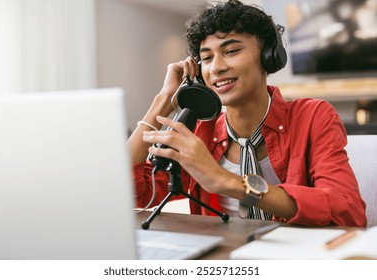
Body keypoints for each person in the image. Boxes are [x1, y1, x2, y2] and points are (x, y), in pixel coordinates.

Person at [128, 0, 366, 227]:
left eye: (231, 51)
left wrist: (227, 182)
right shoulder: (200, 131)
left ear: (268, 57)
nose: (217, 68)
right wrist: (164, 99)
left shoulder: (312, 117)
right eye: (207, 58)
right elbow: (133, 194)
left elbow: (348, 211)